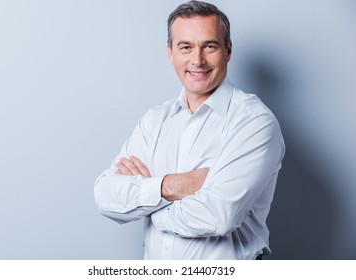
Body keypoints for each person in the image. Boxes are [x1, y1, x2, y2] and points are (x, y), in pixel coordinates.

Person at [94, 0, 285, 260]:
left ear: (228, 51)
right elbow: (105, 195)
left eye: (209, 46)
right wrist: (176, 185)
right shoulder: (154, 121)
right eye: (186, 47)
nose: (197, 60)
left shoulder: (253, 122)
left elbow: (219, 216)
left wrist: (148, 206)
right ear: (170, 52)